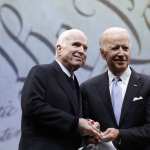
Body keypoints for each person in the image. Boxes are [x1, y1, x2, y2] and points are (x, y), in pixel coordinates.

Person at [18, 29, 101, 150]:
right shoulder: (41, 72)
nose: (81, 51)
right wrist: (77, 123)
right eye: (76, 45)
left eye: (85, 48)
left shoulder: (75, 83)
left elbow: (67, 123)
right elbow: (32, 106)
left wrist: (87, 131)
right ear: (59, 49)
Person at [80, 27, 150, 150]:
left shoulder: (148, 84)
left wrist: (119, 134)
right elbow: (82, 133)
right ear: (103, 53)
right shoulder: (88, 89)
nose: (121, 53)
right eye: (115, 48)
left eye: (125, 48)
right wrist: (90, 137)